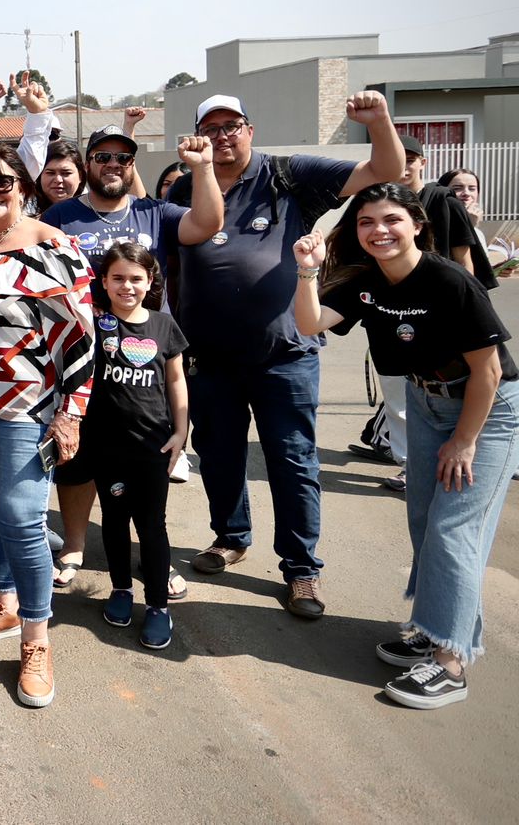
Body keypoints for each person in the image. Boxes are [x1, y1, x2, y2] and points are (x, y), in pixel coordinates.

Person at [166, 91, 404, 618]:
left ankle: (301, 570)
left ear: (250, 129)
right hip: (210, 357)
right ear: (199, 136)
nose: (223, 135)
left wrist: (380, 120)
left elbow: (385, 168)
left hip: (285, 355)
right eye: (212, 127)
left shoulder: (290, 174)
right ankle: (230, 537)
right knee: (220, 457)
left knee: (293, 462)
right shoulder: (185, 186)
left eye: (233, 125)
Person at [292, 183, 518, 708]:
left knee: (452, 528)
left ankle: (450, 662)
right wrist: (307, 269)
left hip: (485, 409)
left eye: (391, 219)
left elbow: (488, 370)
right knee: (423, 519)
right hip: (427, 401)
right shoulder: (367, 284)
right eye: (366, 222)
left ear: (417, 223)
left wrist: (465, 442)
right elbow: (309, 323)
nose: (379, 231)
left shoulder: (449, 279)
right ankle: (435, 627)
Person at [34, 122, 221, 587]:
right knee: (75, 459)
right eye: (102, 157)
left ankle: (151, 554)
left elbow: (208, 223)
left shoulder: (154, 211)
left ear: (131, 165)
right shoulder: (59, 216)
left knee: (144, 462)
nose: (113, 165)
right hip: (78, 358)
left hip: (142, 363)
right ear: (87, 164)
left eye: (122, 158)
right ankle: (75, 546)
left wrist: (203, 169)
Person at [0, 143, 94, 708]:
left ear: (23, 185)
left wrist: (71, 412)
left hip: (26, 400)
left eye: (2, 182)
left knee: (22, 514)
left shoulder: (53, 247)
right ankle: (3, 601)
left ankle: (35, 638)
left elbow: (80, 337)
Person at [356, 137, 495, 486]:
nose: (404, 165)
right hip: (396, 318)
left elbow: (463, 259)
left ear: (423, 162)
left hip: (443, 315)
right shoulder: (372, 203)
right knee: (401, 393)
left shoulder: (443, 202)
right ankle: (406, 461)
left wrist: (469, 303)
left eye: (411, 158)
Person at [84, 244, 189, 650]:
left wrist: (181, 432)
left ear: (150, 282)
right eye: (118, 278)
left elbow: (177, 381)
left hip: (153, 447)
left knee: (151, 525)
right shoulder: (96, 323)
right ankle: (121, 589)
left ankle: (159, 606)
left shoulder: (164, 326)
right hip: (107, 446)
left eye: (135, 279)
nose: (127, 286)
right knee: (113, 518)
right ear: (104, 282)